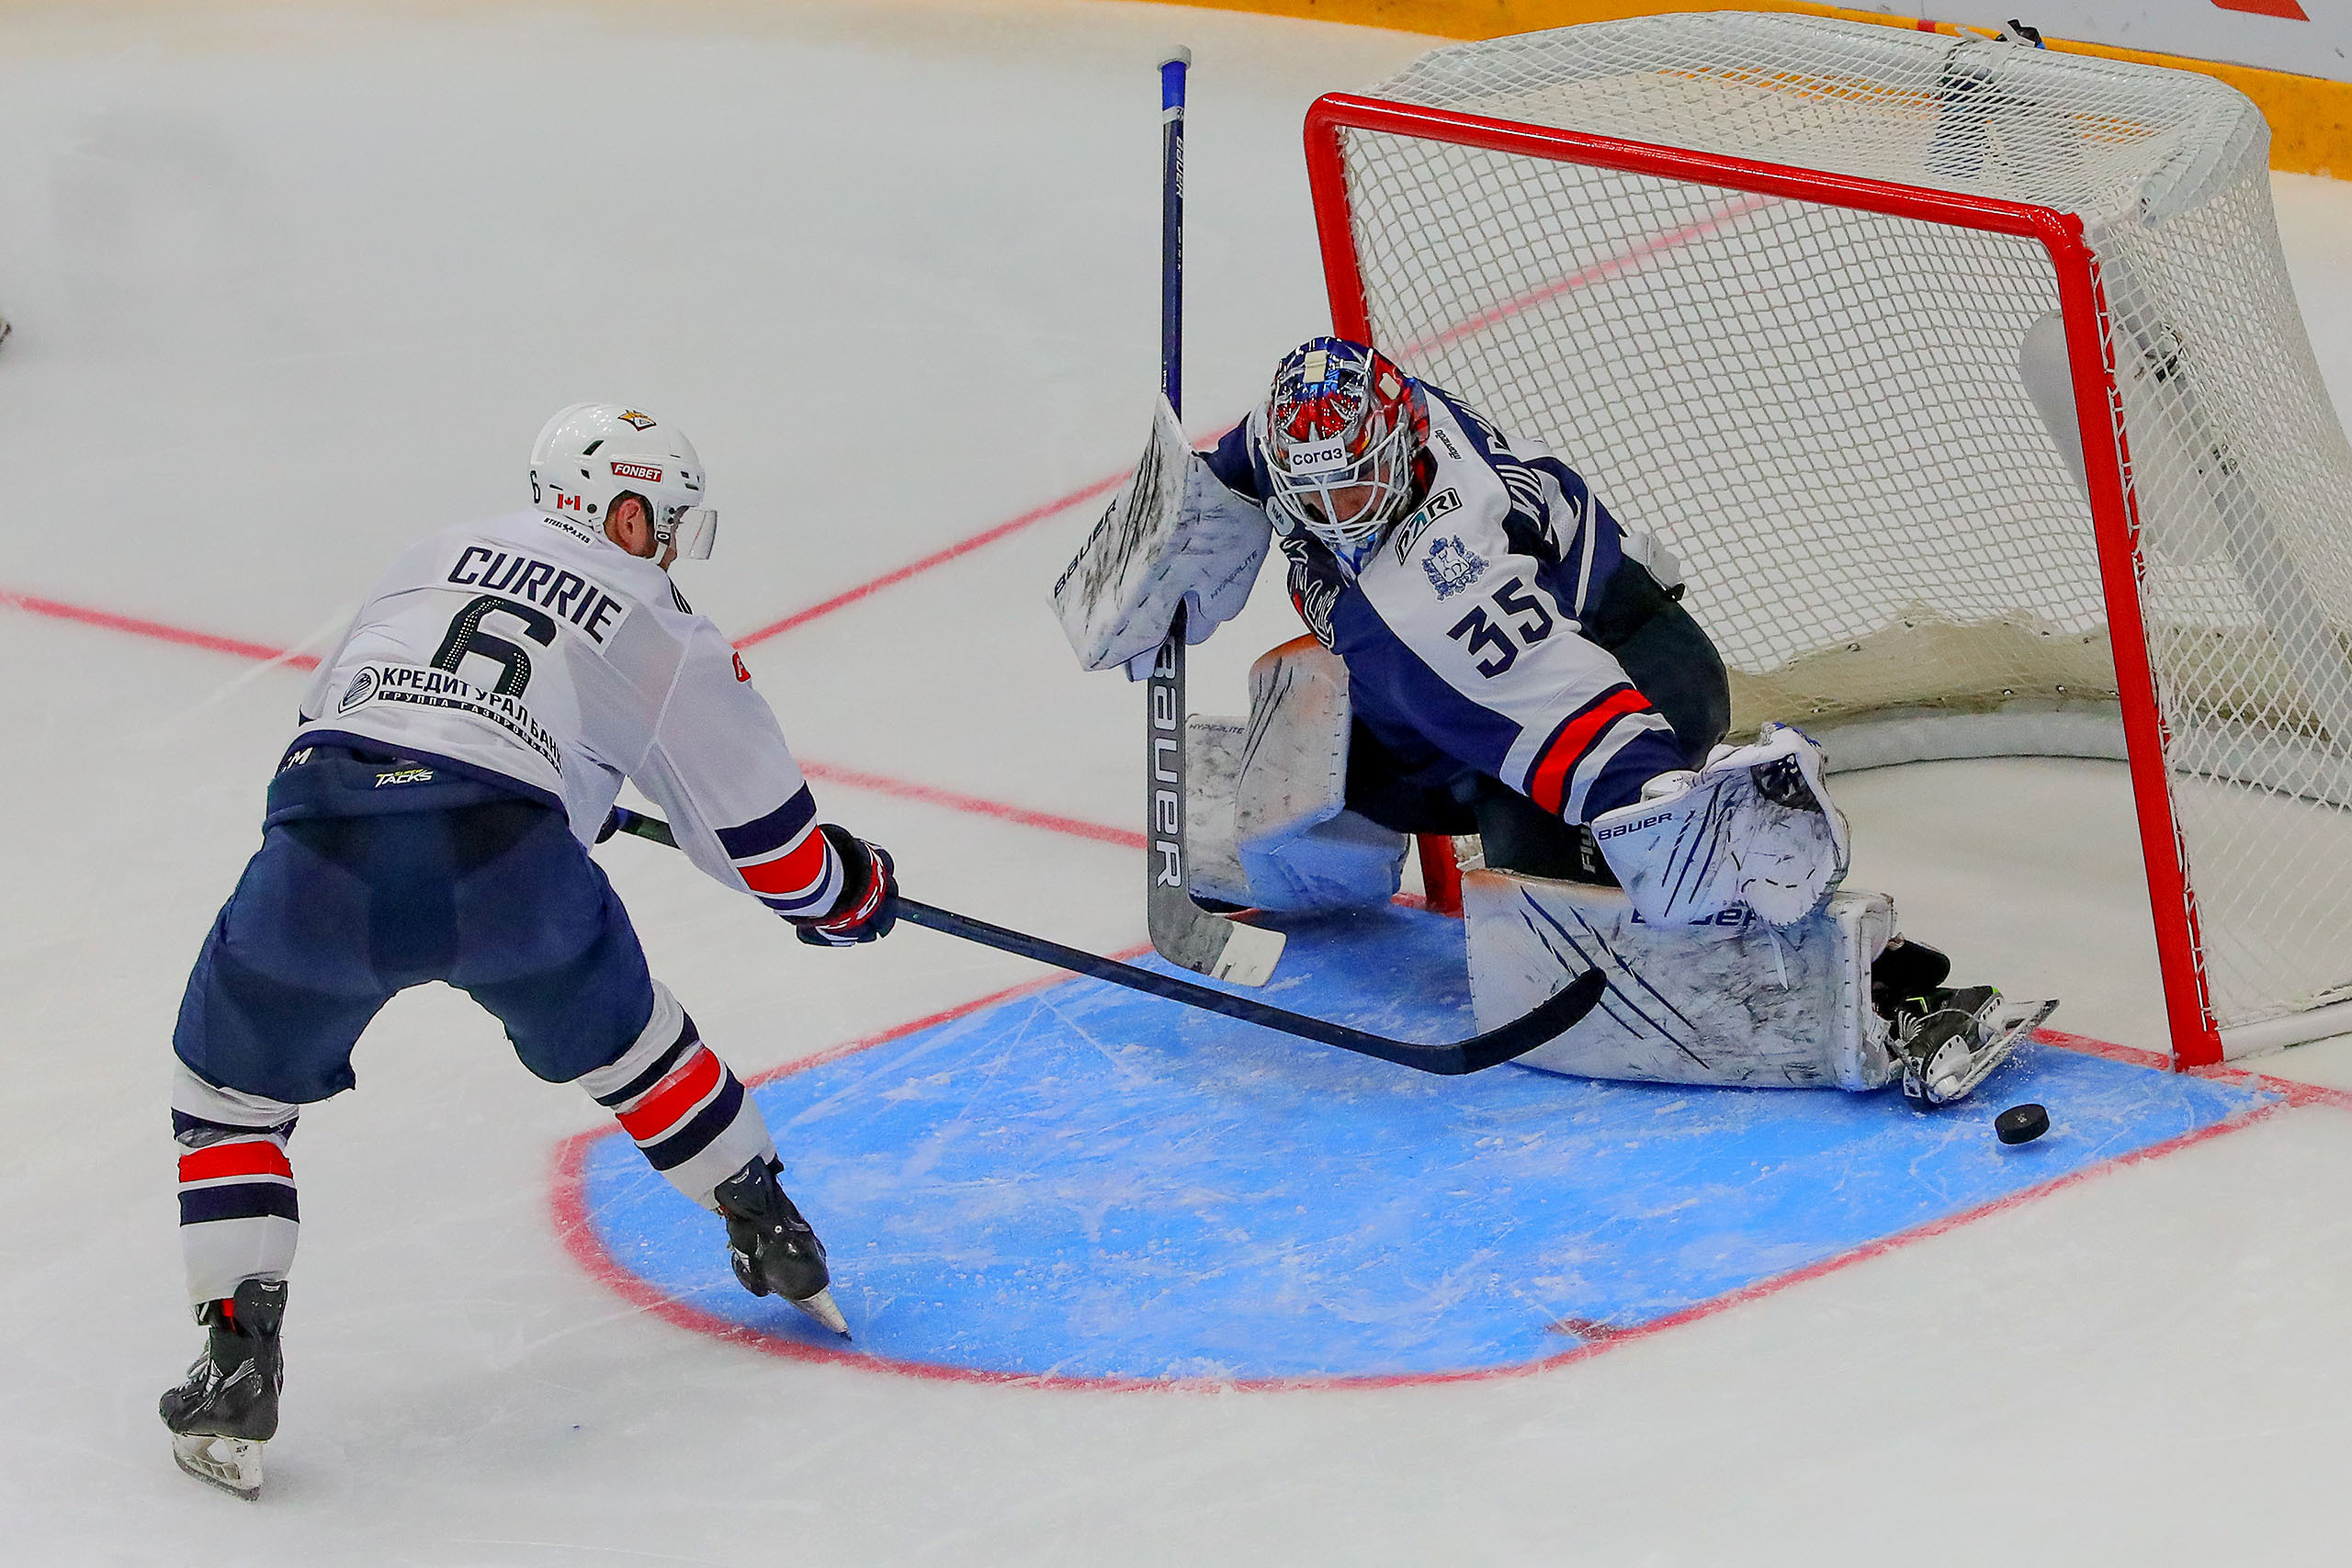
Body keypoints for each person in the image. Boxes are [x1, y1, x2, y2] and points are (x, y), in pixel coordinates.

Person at [159, 404, 897, 1500]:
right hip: (509, 865)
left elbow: (342, 717)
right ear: (624, 510)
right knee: (635, 1048)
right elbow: (772, 853)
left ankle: (235, 1358)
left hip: (327, 847)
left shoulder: (429, 554)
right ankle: (763, 1215)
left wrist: (557, 780)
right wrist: (849, 894)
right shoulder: (662, 630)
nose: (673, 552)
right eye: (667, 524)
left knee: (224, 1095)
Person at [1057, 337, 2032, 1103]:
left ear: (1397, 450)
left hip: (1629, 677)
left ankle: (1875, 991)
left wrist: (1665, 807)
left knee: (1561, 893)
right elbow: (1254, 463)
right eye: (1307, 492)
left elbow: (1561, 700)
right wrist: (1186, 513)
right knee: (1327, 731)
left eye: (1350, 488)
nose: (1332, 512)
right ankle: (1305, 857)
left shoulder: (1434, 591)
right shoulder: (1352, 430)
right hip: (1492, 684)